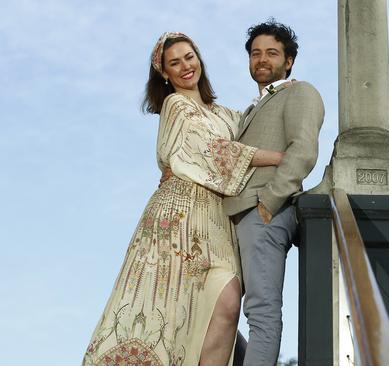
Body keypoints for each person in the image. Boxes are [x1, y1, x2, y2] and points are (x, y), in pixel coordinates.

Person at [83, 32, 284, 366]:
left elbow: (253, 120)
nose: (185, 66)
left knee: (227, 302)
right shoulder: (175, 105)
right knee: (172, 313)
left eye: (189, 57)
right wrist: (277, 158)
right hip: (177, 221)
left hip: (217, 223)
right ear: (165, 73)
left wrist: (279, 90)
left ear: (199, 59)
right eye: (174, 62)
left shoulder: (223, 113)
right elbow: (213, 151)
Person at [223, 20, 325, 365]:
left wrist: (268, 203)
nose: (262, 59)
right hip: (231, 218)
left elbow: (303, 150)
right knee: (216, 310)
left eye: (272, 53)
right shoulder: (250, 109)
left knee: (261, 312)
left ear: (289, 60)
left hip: (262, 212)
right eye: (255, 53)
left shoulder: (300, 92)